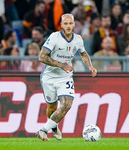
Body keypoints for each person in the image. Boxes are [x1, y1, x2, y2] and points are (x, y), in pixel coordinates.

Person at [35, 13, 97, 141]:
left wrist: (90, 66)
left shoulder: (78, 39)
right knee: (52, 107)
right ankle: (53, 125)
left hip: (65, 77)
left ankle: (43, 130)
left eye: (70, 23)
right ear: (61, 25)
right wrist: (60, 64)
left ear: (74, 24)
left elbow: (83, 54)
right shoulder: (54, 37)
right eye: (66, 23)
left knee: (67, 104)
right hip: (49, 77)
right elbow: (42, 57)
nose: (68, 26)